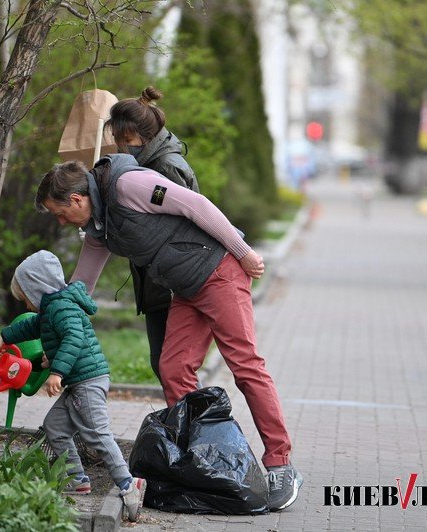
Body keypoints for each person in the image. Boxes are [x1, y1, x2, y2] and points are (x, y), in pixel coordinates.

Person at [34, 155, 303, 511]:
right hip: (186, 288)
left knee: (245, 366)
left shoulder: (128, 186)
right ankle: (198, 460)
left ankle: (280, 463)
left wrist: (244, 252)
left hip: (219, 270)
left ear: (76, 199)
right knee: (173, 369)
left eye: (59, 212)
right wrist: (48, 329)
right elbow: (80, 287)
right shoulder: (100, 228)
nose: (62, 221)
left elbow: (195, 204)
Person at [0, 250, 147, 521]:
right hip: (78, 381)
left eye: (25, 296)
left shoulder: (62, 308)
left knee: (97, 433)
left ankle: (128, 483)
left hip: (87, 381)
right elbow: (33, 327)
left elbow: (73, 338)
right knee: (55, 427)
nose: (25, 303)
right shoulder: (52, 309)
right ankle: (77, 479)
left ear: (36, 288)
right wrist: (5, 336)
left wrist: (56, 373)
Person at [105, 86, 208, 384]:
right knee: (165, 365)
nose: (123, 148)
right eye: (118, 141)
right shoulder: (141, 165)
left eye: (127, 141)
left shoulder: (165, 167)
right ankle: (186, 425)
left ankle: (193, 426)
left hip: (173, 281)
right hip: (157, 281)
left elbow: (192, 217)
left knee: (171, 367)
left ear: (145, 137)